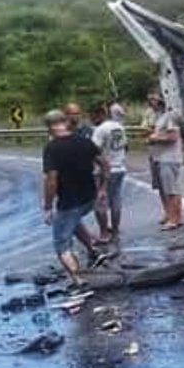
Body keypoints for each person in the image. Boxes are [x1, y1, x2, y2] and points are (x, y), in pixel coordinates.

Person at [42, 109, 109, 292]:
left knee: (61, 243)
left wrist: (48, 206)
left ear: (48, 127)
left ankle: (77, 279)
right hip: (88, 197)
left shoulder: (52, 148)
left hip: (69, 200)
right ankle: (93, 251)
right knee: (74, 221)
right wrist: (102, 188)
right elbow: (104, 164)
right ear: (66, 122)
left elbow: (52, 179)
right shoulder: (84, 141)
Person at [92, 102, 129, 244]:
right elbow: (125, 146)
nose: (92, 119)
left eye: (93, 115)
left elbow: (94, 150)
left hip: (104, 169)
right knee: (116, 200)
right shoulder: (119, 127)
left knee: (100, 201)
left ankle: (103, 233)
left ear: (100, 114)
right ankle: (115, 230)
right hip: (119, 167)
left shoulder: (100, 129)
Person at [146, 91, 184, 230]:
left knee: (171, 189)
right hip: (157, 156)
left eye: (153, 99)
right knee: (162, 188)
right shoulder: (157, 116)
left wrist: (154, 138)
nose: (150, 102)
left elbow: (173, 137)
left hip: (169, 157)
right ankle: (169, 213)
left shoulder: (170, 115)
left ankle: (176, 218)